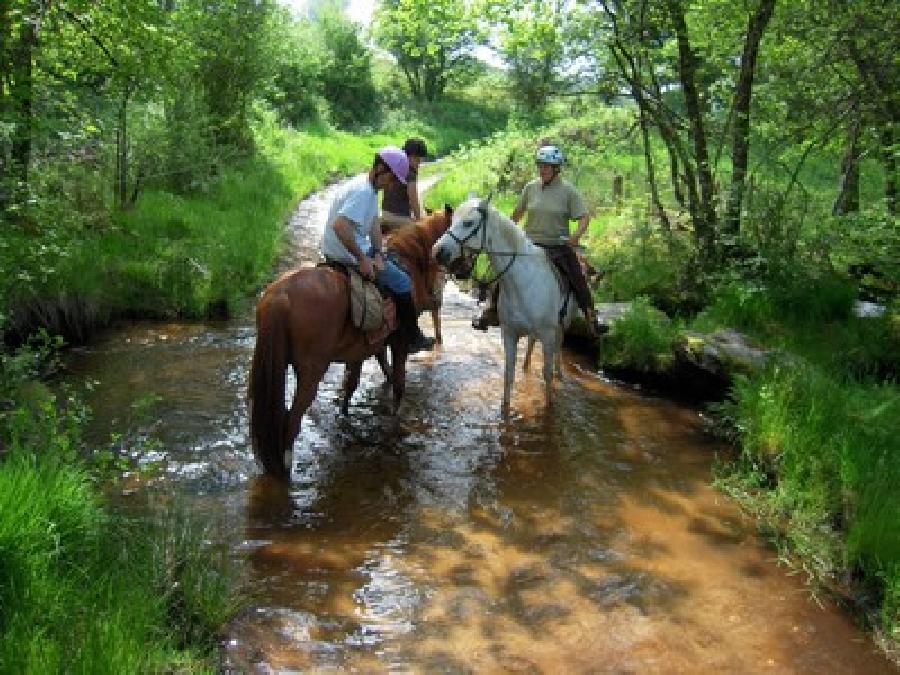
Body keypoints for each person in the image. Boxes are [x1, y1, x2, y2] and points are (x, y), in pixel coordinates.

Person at [472, 143, 597, 334]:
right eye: (540, 165)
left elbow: (584, 217)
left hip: (556, 245)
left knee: (575, 274)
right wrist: (508, 236)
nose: (542, 170)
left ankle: (590, 315)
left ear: (556, 169)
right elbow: (517, 213)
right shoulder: (530, 188)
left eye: (547, 166)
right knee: (503, 271)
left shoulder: (568, 191)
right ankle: (491, 310)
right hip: (529, 244)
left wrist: (575, 236)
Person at [321, 146, 434, 353]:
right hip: (347, 254)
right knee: (403, 281)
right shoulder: (364, 192)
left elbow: (373, 224)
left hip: (339, 249)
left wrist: (379, 252)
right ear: (381, 169)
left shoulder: (367, 188)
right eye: (391, 179)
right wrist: (363, 258)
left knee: (391, 264)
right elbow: (340, 225)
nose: (391, 185)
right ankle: (411, 337)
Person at [380, 138, 427, 235]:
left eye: (420, 161)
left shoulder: (394, 166)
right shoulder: (410, 172)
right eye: (417, 160)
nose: (418, 164)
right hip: (399, 218)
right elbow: (413, 199)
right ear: (410, 157)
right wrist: (420, 221)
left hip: (384, 213)